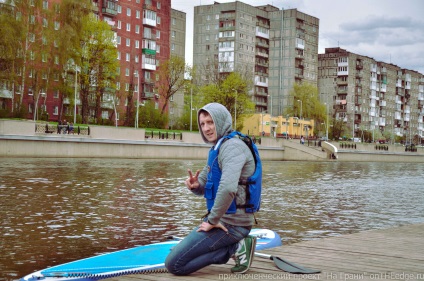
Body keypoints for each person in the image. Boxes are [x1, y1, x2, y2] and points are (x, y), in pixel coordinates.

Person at [165, 103, 258, 276]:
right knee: (177, 256)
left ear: (221, 121)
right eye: (202, 124)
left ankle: (235, 248)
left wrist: (213, 221)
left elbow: (229, 188)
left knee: (174, 264)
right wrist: (195, 186)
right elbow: (203, 186)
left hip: (233, 224)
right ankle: (231, 246)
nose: (206, 128)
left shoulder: (232, 147)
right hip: (221, 220)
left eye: (210, 122)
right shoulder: (218, 147)